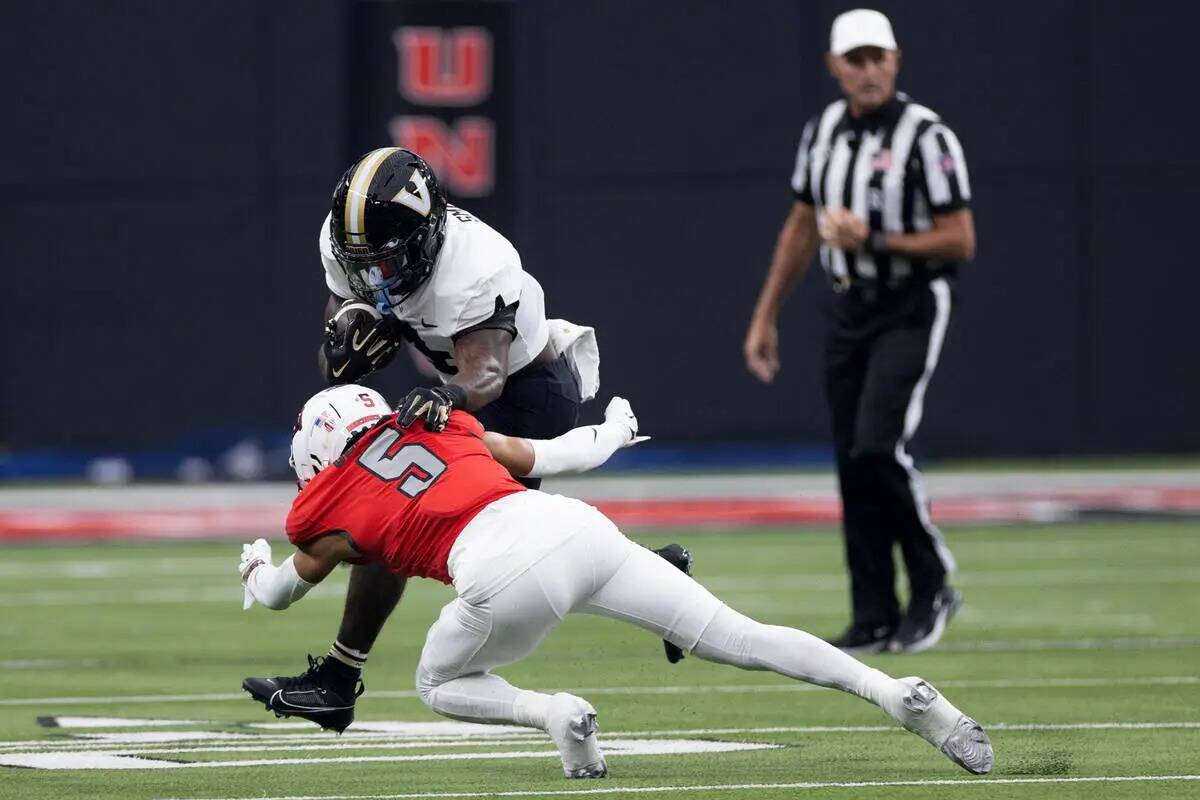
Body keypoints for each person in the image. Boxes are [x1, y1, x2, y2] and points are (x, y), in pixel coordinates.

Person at [239, 383, 992, 778]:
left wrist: (252, 568)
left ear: (324, 446)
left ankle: (558, 717)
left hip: (500, 574)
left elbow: (279, 593)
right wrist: (615, 427)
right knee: (741, 636)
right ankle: (895, 695)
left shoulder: (328, 501)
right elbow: (557, 455)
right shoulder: (447, 425)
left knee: (438, 683)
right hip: (579, 528)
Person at [280, 148, 690, 728]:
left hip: (527, 394)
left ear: (425, 236)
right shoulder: (351, 244)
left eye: (388, 262)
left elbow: (487, 375)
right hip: (463, 385)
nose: (376, 277)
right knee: (421, 519)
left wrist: (447, 397)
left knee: (432, 527)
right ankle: (660, 572)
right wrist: (347, 329)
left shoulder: (477, 264)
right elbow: (342, 315)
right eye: (363, 263)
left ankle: (339, 681)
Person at [744, 9, 977, 655]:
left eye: (878, 57)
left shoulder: (926, 135)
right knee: (852, 460)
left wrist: (873, 239)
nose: (868, 70)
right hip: (847, 305)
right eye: (856, 59)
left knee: (879, 447)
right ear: (835, 66)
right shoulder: (822, 132)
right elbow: (799, 225)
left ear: (896, 61)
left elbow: (960, 238)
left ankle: (932, 584)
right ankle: (874, 611)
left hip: (908, 302)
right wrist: (766, 315)